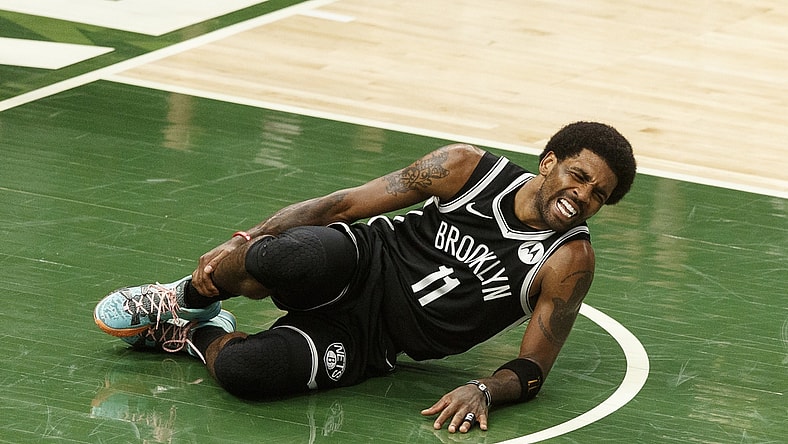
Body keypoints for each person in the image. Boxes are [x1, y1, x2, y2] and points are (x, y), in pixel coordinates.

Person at [94, 121, 636, 434]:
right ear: (549, 161)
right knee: (282, 255)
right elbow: (344, 204)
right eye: (579, 176)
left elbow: (532, 367)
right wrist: (245, 240)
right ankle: (179, 299)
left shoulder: (569, 261)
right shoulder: (467, 167)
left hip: (372, 340)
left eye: (599, 196)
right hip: (362, 259)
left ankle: (193, 334)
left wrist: (483, 390)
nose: (583, 197)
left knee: (246, 373)